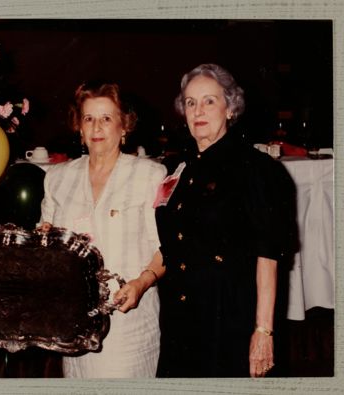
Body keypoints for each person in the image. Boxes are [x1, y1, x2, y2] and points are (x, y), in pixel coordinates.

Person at [155, 63, 296, 378]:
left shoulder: (258, 169)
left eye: (209, 101)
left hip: (229, 317)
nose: (198, 110)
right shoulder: (182, 168)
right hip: (181, 318)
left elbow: (268, 255)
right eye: (190, 102)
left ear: (230, 108)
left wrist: (263, 331)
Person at [40, 82, 167, 378]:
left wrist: (141, 283)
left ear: (124, 127)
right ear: (79, 128)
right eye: (88, 119)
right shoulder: (57, 178)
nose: (97, 127)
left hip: (128, 326)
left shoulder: (149, 175)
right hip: (74, 325)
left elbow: (166, 249)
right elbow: (46, 243)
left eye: (106, 118)